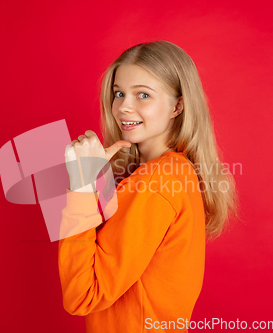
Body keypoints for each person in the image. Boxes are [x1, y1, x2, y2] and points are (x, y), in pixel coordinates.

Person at [58, 40, 239, 332]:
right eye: (119, 93)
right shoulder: (177, 170)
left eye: (143, 95)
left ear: (178, 106)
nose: (124, 107)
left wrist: (80, 187)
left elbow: (83, 295)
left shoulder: (153, 182)